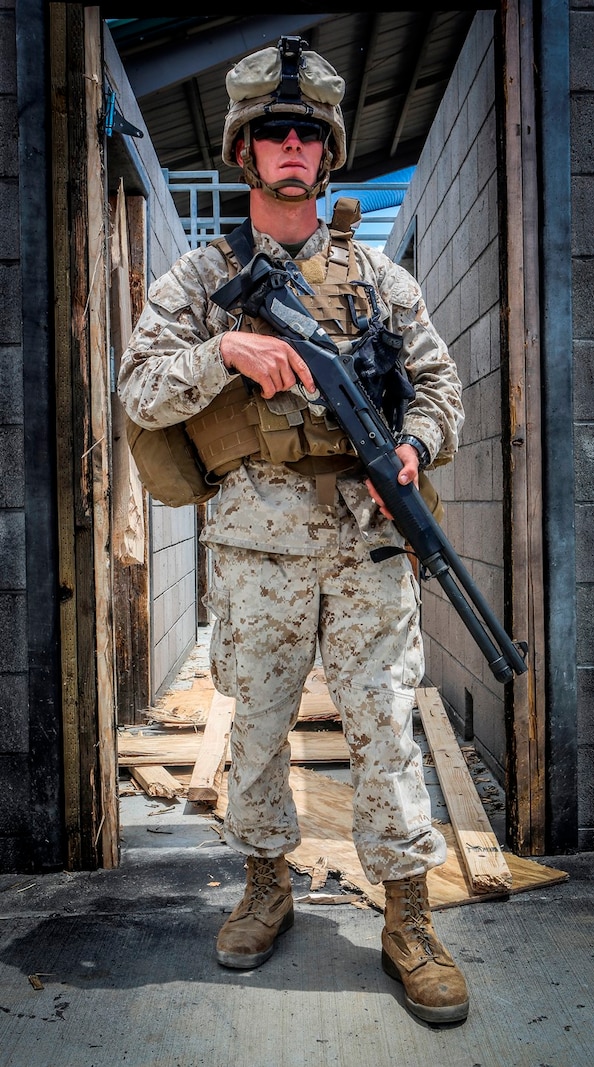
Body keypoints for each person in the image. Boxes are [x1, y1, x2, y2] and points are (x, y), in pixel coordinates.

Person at [118, 36, 468, 1025]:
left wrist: (411, 442)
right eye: (270, 132)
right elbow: (139, 391)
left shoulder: (379, 282)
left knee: (388, 730)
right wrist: (225, 352)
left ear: (328, 154)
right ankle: (267, 883)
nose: (288, 146)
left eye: (306, 134)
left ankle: (407, 917)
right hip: (253, 545)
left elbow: (441, 388)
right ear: (240, 150)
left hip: (367, 541)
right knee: (260, 729)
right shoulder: (198, 277)